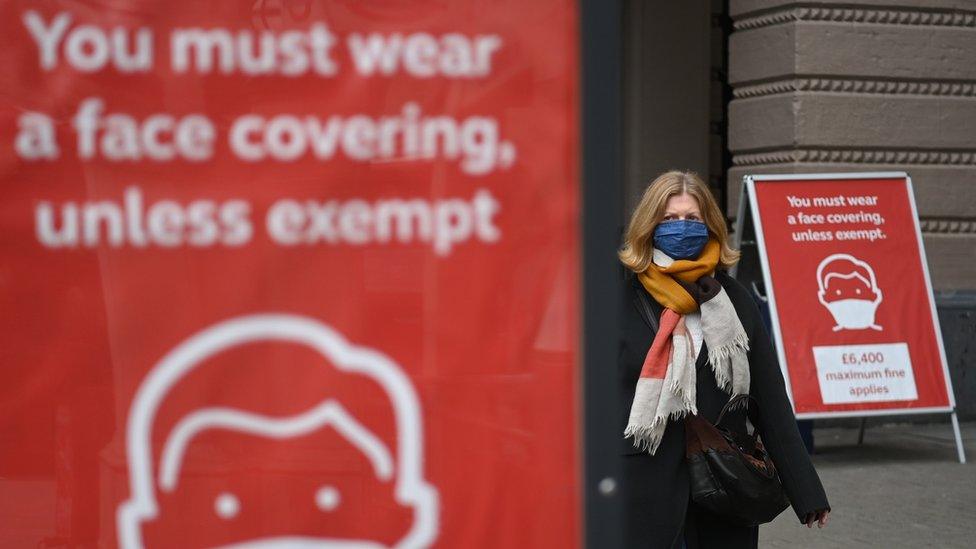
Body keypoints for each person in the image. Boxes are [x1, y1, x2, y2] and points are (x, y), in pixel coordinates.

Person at [617, 171, 830, 548]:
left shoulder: (733, 299)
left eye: (692, 219)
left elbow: (769, 398)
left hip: (726, 486)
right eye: (669, 219)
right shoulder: (619, 297)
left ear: (710, 225)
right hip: (642, 484)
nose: (680, 228)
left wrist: (806, 491)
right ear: (649, 226)